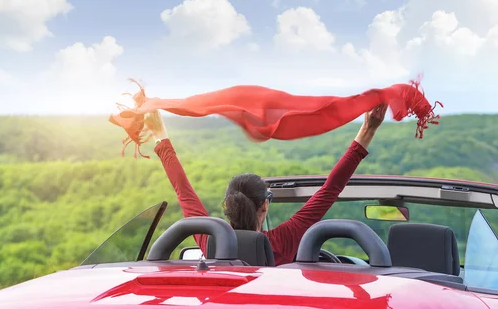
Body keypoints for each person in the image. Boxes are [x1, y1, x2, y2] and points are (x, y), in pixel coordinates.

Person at [144, 104, 387, 266]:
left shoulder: (210, 242)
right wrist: (368, 129)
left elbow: (182, 189)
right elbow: (330, 190)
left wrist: (159, 133)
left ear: (226, 207)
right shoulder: (283, 241)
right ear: (265, 206)